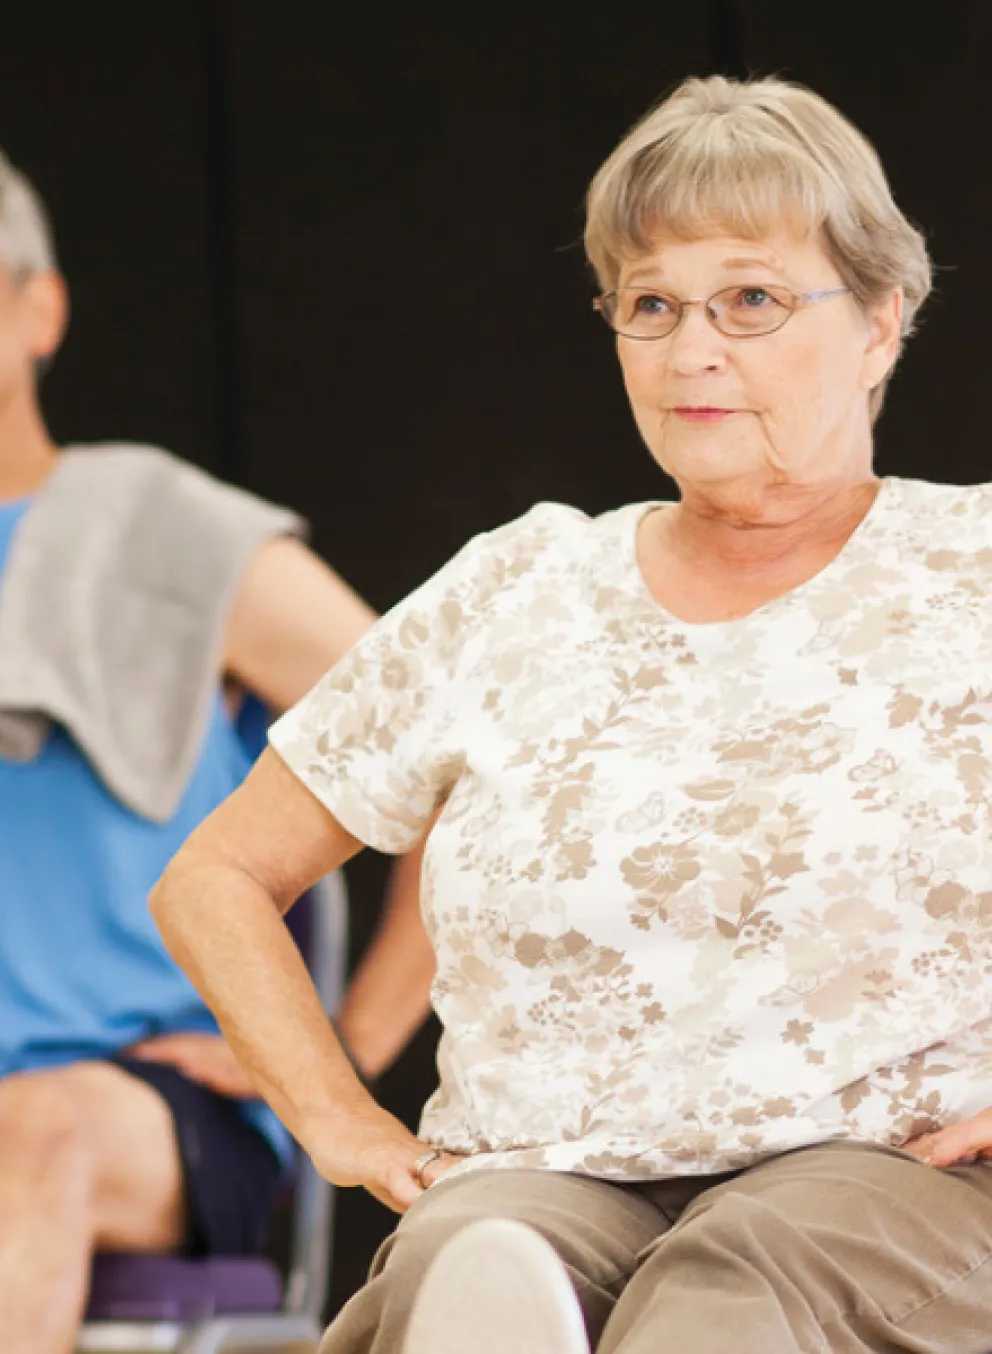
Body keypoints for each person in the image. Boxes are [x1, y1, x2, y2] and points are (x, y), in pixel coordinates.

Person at [150, 72, 992, 1354]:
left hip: (891, 1179)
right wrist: (333, 1112)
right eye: (649, 305)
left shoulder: (971, 564)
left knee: (737, 1272)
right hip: (549, 1172)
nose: (690, 349)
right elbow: (216, 876)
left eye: (750, 300)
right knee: (463, 1258)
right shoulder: (517, 582)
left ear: (880, 321)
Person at [0, 150, 436, 1354]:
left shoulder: (168, 534)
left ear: (40, 307)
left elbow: (455, 751)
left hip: (146, 1104)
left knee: (26, 1131)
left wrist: (347, 1047)